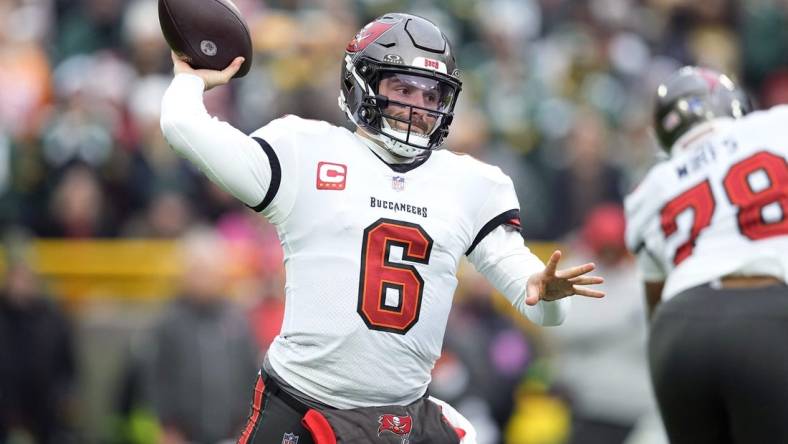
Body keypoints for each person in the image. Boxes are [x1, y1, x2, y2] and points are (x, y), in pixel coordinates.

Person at [160, 13, 604, 444]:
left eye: (432, 96)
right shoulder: (305, 151)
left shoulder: (473, 184)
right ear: (362, 83)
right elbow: (182, 125)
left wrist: (544, 290)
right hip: (301, 403)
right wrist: (191, 78)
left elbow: (540, 303)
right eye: (403, 88)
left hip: (400, 421)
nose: (419, 106)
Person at [625, 66, 788, 443]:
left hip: (678, 333)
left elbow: (656, 305)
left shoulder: (648, 189)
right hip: (764, 313)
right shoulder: (776, 126)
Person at [143, 228, 260, 444]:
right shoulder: (170, 322)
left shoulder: (237, 321)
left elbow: (250, 374)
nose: (204, 279)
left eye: (210, 271)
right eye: (197, 271)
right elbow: (157, 378)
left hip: (233, 433)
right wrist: (167, 426)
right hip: (183, 435)